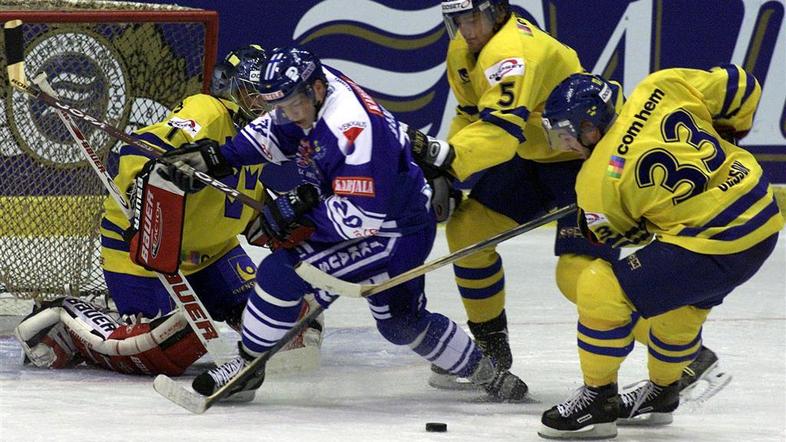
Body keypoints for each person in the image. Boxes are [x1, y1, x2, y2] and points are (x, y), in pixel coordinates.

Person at [158, 45, 531, 402]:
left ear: (317, 90)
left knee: (282, 271)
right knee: (401, 322)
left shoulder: (352, 130)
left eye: (291, 105)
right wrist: (219, 156)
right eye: (278, 106)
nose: (285, 114)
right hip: (394, 213)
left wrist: (298, 212)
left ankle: (247, 366)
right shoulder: (311, 90)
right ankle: (487, 372)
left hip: (389, 229)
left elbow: (357, 221)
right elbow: (275, 130)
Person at [13, 45, 323, 376]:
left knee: (288, 322)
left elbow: (241, 192)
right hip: (145, 249)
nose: (263, 105)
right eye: (252, 94)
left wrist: (271, 219)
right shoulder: (208, 111)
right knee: (163, 351)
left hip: (215, 252)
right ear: (230, 88)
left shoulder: (266, 134)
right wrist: (140, 190)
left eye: (267, 95)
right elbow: (138, 150)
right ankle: (61, 317)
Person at [537, 66, 783, 439]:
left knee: (600, 286)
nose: (566, 145)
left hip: (711, 243)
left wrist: (592, 222)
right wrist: (730, 131)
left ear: (590, 126)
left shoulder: (594, 180)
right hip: (761, 220)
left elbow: (626, 235)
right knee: (678, 314)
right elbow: (742, 84)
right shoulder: (661, 86)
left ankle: (597, 400)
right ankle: (663, 392)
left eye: (567, 134)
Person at [413, 0, 620, 389]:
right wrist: (446, 167)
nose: (466, 29)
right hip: (535, 151)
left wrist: (448, 160)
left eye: (473, 18)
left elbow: (499, 135)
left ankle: (681, 351)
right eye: (457, 21)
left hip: (582, 157)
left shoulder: (510, 51)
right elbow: (473, 115)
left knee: (580, 275)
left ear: (496, 12)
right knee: (468, 232)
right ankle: (492, 348)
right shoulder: (463, 48)